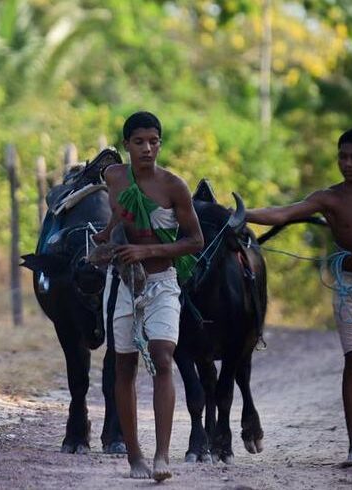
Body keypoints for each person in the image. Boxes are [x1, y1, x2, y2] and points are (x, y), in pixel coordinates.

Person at [245, 127, 352, 469]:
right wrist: (240, 213)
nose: (347, 163)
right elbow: (283, 213)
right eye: (342, 157)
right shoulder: (329, 198)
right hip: (349, 286)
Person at [93, 111, 204, 481]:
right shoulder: (114, 176)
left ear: (160, 143)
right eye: (139, 141)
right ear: (126, 145)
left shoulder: (174, 186)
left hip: (163, 283)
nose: (147, 148)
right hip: (125, 283)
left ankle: (161, 456)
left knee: (162, 356)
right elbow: (119, 213)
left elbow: (195, 241)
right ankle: (135, 457)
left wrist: (147, 252)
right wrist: (106, 237)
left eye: (154, 141)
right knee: (123, 364)